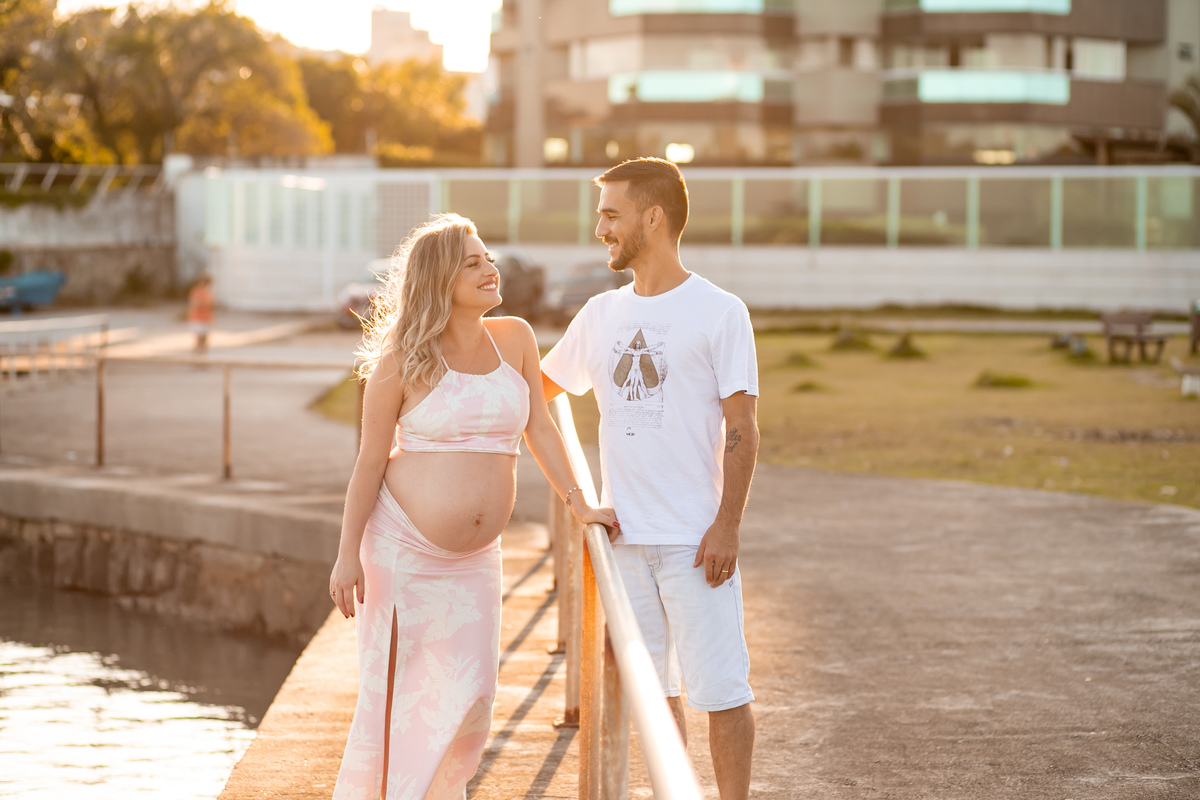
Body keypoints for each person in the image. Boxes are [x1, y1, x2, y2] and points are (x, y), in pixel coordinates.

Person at [328, 213, 617, 800]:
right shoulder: (400, 360)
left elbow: (539, 426)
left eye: (489, 259)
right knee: (399, 701)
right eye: (473, 263)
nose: (491, 270)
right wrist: (346, 555)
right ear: (440, 279)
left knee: (473, 698)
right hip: (402, 554)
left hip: (476, 560)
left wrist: (580, 504)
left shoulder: (515, 337)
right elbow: (369, 463)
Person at [540, 157, 759, 800]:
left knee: (722, 692)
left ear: (653, 217)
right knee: (656, 699)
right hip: (624, 541)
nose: (600, 228)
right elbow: (534, 395)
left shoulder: (720, 312)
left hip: (696, 542)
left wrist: (727, 526)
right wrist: (577, 500)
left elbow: (742, 426)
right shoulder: (600, 314)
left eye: (612, 214)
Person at [187, 274, 215, 355]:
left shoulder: (208, 292)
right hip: (198, 317)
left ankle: (203, 353)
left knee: (205, 338)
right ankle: (197, 353)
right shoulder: (197, 291)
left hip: (206, 317)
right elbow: (195, 304)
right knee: (199, 337)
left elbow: (212, 304)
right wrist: (204, 305)